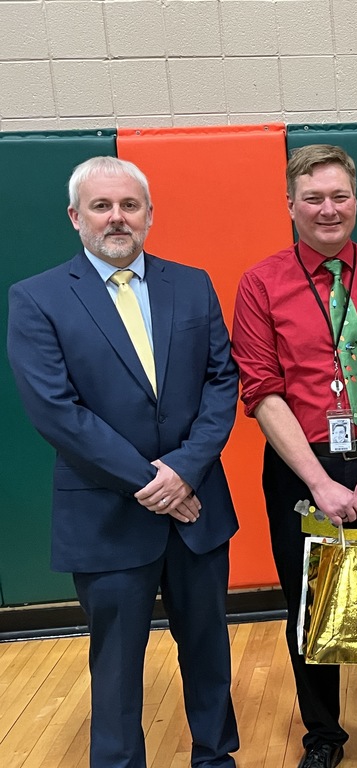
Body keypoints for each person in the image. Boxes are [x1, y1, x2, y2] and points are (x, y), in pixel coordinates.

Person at [7, 156, 240, 767]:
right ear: (75, 217)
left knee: (210, 653)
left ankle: (216, 758)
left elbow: (222, 385)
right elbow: (58, 412)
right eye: (102, 207)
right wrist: (153, 481)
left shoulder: (191, 284)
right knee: (115, 668)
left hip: (196, 512)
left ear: (149, 215)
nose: (117, 218)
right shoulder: (37, 299)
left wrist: (185, 470)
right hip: (107, 518)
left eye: (129, 206)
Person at [231, 144, 357, 768]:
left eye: (339, 196)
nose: (328, 209)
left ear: (355, 200)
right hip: (303, 467)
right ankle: (323, 735)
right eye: (313, 198)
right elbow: (261, 391)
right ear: (290, 205)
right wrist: (319, 481)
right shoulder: (261, 283)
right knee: (308, 602)